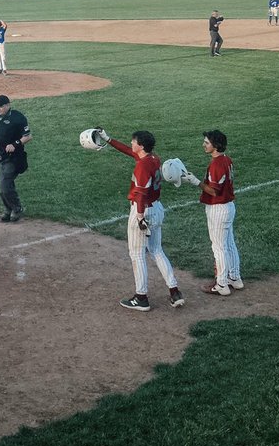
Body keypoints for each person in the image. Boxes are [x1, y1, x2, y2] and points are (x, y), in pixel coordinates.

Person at [98, 127, 185, 311]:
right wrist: (108, 139)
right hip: (157, 208)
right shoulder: (153, 159)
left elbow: (141, 194)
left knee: (137, 254)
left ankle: (141, 297)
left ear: (141, 146)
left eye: (134, 141)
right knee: (157, 250)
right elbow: (128, 151)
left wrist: (139, 216)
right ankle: (174, 291)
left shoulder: (142, 167)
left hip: (144, 211)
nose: (131, 143)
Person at [199, 129, 243, 295]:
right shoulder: (226, 160)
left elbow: (213, 191)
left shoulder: (216, 165)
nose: (203, 145)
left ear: (215, 145)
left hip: (218, 208)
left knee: (219, 247)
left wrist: (195, 181)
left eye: (207, 143)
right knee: (229, 244)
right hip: (228, 206)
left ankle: (222, 284)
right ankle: (235, 278)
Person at [0, 95, 31, 222]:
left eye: (1, 106)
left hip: (15, 158)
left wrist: (15, 144)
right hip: (1, 157)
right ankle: (8, 210)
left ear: (8, 105)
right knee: (3, 188)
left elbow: (28, 136)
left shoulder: (18, 117)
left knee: (5, 185)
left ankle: (17, 209)